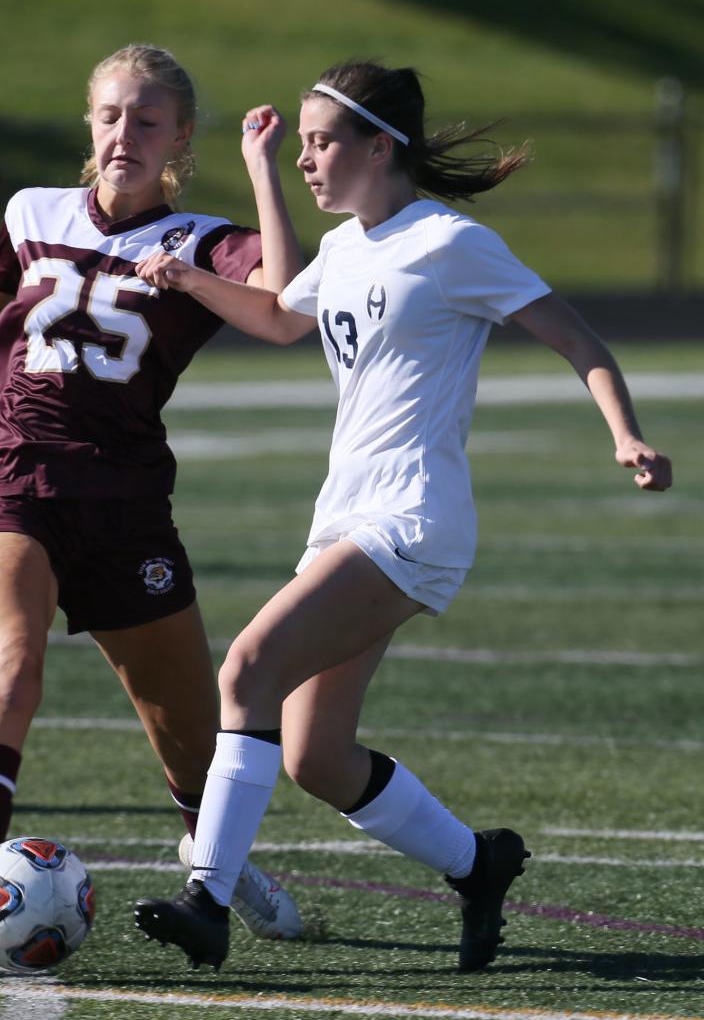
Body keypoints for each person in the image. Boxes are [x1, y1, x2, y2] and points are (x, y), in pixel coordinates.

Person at [132, 59, 674, 974]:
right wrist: (199, 263)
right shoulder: (346, 246)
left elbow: (577, 337)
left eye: (320, 142)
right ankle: (479, 862)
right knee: (313, 755)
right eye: (300, 143)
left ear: (379, 147)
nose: (307, 158)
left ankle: (209, 898)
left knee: (249, 665)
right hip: (343, 517)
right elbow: (276, 315)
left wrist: (626, 433)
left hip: (412, 517)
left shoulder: (448, 243)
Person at [0, 44, 305, 979]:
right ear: (89, 125)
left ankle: (214, 864)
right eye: (109, 116)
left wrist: (265, 172)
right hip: (9, 466)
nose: (123, 135)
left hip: (126, 496)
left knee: (187, 731)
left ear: (180, 136)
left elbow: (283, 298)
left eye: (146, 120)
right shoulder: (33, 212)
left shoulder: (202, 242)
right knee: (11, 669)